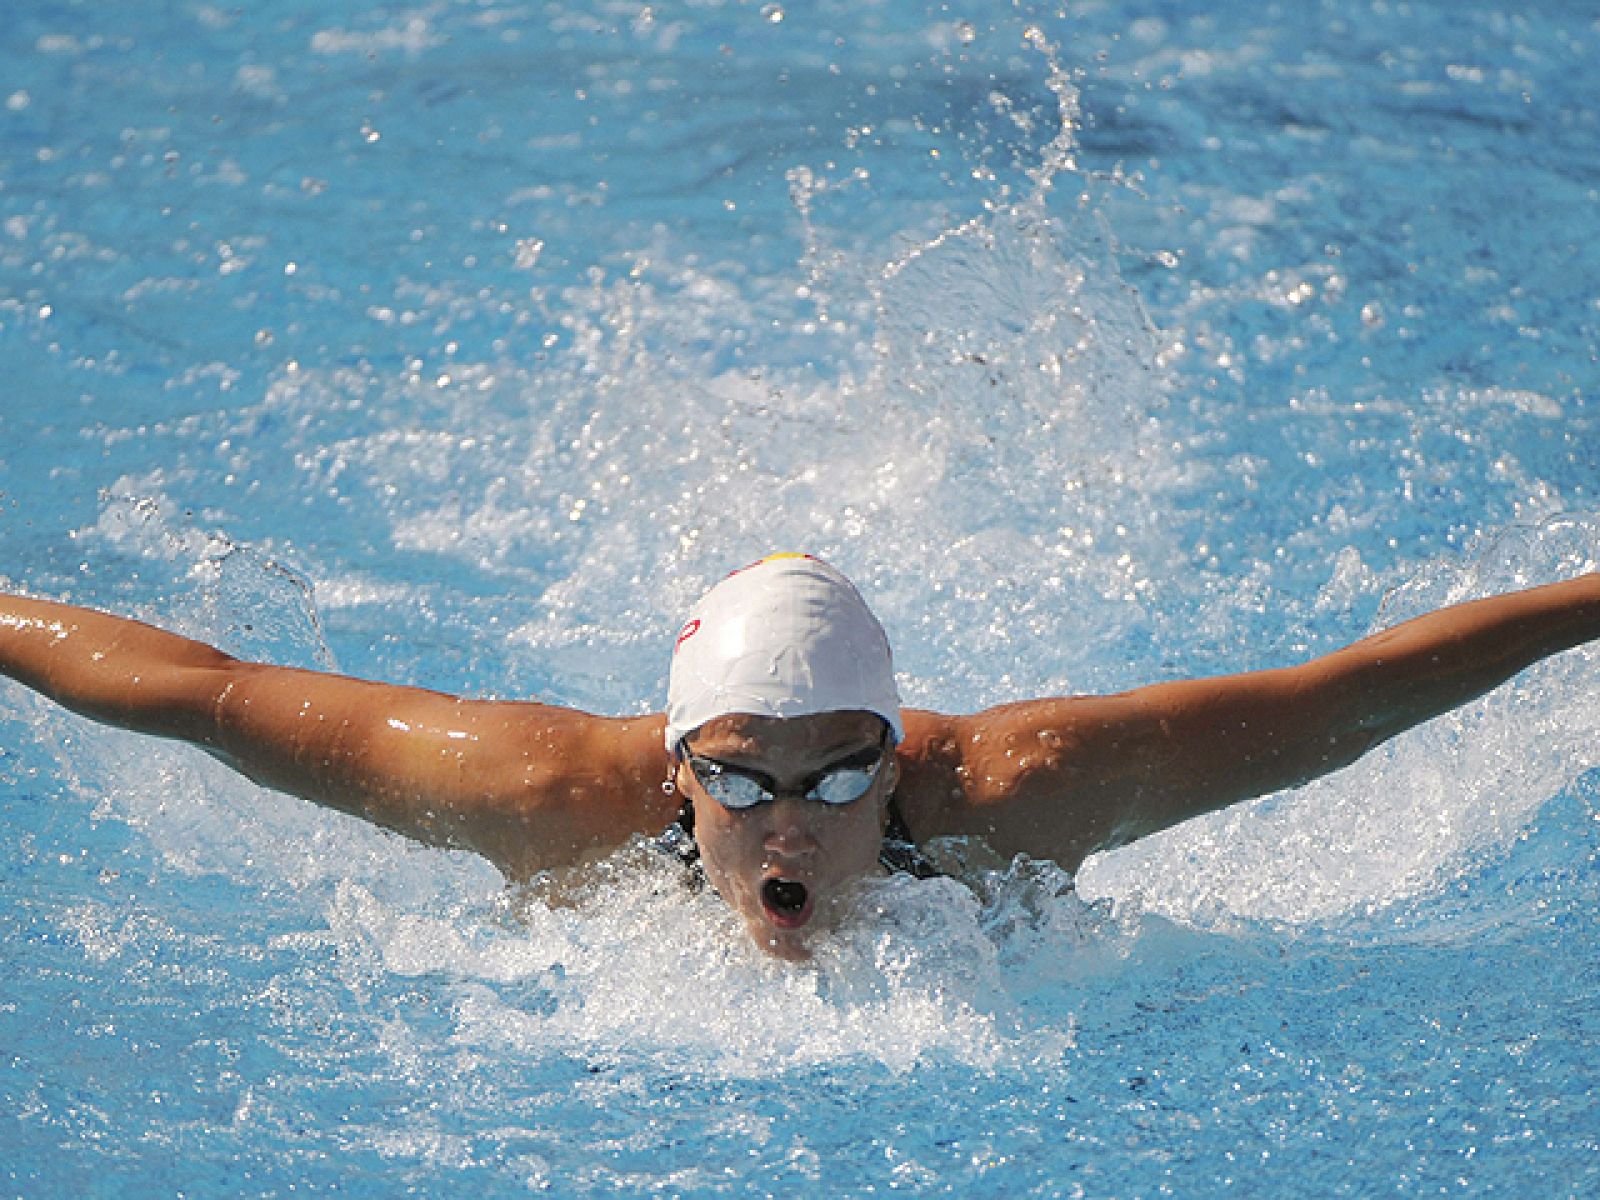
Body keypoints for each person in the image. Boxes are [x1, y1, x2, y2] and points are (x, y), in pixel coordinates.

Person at [2, 552, 1597, 959]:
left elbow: (1336, 702)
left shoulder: (1016, 790)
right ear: (677, 773)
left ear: (898, 759)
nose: (795, 827)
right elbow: (202, 695)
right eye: (743, 781)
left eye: (843, 776)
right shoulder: (543, 793)